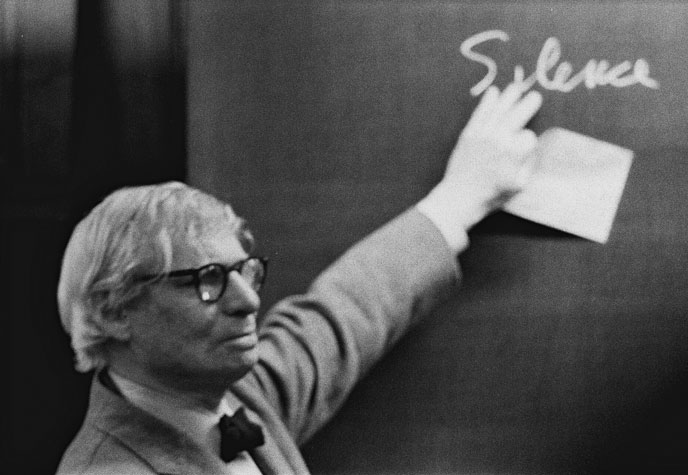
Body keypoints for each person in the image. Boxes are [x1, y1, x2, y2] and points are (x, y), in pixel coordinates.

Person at [56, 82, 543, 475]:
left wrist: (463, 196)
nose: (247, 301)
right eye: (207, 280)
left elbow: (344, 314)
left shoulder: (240, 396)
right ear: (114, 311)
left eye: (245, 272)